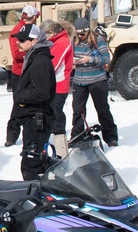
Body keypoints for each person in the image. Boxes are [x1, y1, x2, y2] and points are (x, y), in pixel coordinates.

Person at [12, 23, 56, 181]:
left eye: (23, 40)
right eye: (18, 39)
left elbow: (41, 93)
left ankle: (35, 198)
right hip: (32, 118)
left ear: (35, 41)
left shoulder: (40, 62)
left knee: (31, 165)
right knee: (33, 162)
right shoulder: (34, 57)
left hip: (37, 120)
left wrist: (20, 96)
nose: (18, 42)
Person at [70, 17, 118, 146]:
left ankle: (111, 136)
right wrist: (73, 61)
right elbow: (68, 56)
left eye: (83, 33)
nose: (81, 36)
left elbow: (106, 59)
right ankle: (76, 136)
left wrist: (89, 59)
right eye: (78, 33)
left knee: (102, 109)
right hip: (79, 81)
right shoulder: (73, 41)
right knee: (78, 110)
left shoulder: (98, 39)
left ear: (88, 31)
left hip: (97, 80)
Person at [6, 4, 40, 145]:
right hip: (20, 73)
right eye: (35, 17)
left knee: (34, 104)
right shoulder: (17, 31)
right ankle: (12, 136)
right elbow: (16, 54)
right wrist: (33, 53)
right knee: (19, 105)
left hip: (31, 72)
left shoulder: (34, 30)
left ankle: (32, 133)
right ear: (31, 18)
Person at [40, 19, 74, 158]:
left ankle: (61, 152)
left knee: (57, 117)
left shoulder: (63, 42)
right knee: (50, 115)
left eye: (44, 35)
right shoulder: (54, 42)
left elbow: (54, 64)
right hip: (51, 85)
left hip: (59, 86)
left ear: (52, 32)